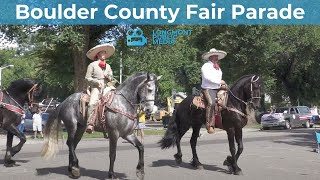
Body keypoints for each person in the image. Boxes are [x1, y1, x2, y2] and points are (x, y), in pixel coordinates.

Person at [85, 43, 116, 133]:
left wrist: (109, 77)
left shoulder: (108, 66)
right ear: (98, 54)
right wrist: (97, 82)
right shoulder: (92, 65)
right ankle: (90, 123)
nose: (104, 55)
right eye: (102, 53)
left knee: (117, 97)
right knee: (92, 103)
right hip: (96, 87)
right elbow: (87, 78)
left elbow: (112, 79)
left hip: (108, 86)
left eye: (105, 53)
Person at [201, 48, 227, 134]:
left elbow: (219, 78)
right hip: (208, 88)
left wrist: (222, 84)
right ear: (211, 57)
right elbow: (207, 77)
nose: (217, 58)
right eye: (215, 56)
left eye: (217, 56)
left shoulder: (218, 68)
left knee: (230, 98)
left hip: (217, 87)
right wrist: (219, 82)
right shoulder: (206, 66)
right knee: (211, 103)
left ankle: (225, 122)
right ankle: (210, 125)